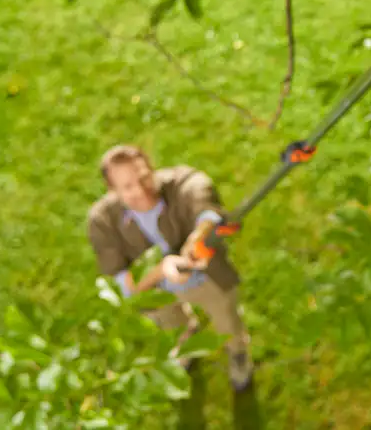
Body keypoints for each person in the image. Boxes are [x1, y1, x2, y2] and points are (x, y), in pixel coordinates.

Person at [86, 144, 254, 391]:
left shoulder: (180, 184)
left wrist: (201, 233)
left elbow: (201, 193)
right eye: (128, 187)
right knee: (171, 324)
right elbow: (124, 286)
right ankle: (186, 341)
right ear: (112, 191)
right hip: (155, 291)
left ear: (152, 168)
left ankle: (238, 354)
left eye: (144, 177)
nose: (141, 191)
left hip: (207, 278)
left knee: (227, 323)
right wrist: (162, 270)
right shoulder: (102, 221)